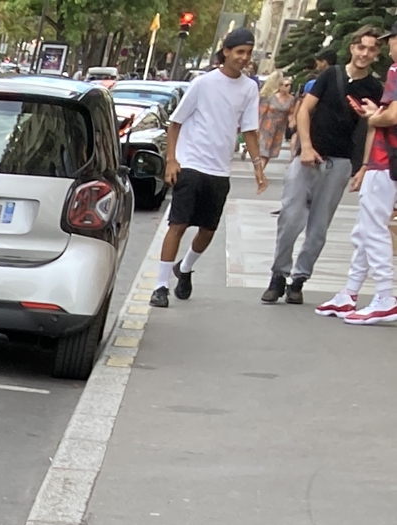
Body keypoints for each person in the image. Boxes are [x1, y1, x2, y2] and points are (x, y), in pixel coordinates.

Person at [267, 26, 384, 304]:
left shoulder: (375, 88)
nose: (365, 53)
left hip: (341, 162)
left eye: (371, 49)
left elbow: (372, 129)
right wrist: (305, 146)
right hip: (309, 156)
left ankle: (299, 280)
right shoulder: (331, 75)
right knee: (290, 217)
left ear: (376, 54)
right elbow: (304, 110)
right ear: (353, 47)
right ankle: (278, 274)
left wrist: (364, 166)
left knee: (319, 227)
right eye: (361, 47)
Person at [151, 27, 266, 308]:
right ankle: (161, 286)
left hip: (219, 170)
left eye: (248, 54)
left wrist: (257, 166)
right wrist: (172, 160)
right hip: (191, 164)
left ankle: (186, 268)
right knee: (177, 224)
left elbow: (249, 129)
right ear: (226, 51)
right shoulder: (203, 83)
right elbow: (175, 123)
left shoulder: (250, 88)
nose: (244, 58)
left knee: (208, 229)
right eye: (239, 52)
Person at [319, 79, 397, 321]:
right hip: (383, 161)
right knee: (364, 229)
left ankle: (385, 295)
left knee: (372, 229)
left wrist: (374, 116)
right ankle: (350, 292)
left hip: (386, 160)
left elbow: (391, 117)